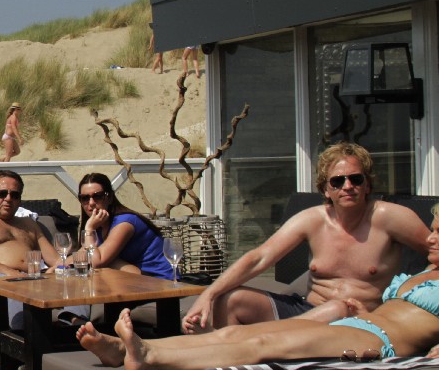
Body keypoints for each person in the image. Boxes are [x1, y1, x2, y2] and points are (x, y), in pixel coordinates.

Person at [78, 205, 439, 370]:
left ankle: (151, 358)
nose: (430, 238)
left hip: (377, 342)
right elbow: (259, 257)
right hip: (357, 323)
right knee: (234, 332)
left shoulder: (391, 221)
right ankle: (123, 348)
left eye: (438, 232)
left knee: (263, 344)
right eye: (433, 230)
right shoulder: (427, 271)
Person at [182, 142, 430, 332]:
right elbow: (259, 258)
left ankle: (257, 340)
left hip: (358, 321)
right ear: (325, 189)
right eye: (337, 181)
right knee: (230, 300)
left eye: (356, 179)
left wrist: (404, 298)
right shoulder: (313, 219)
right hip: (307, 312)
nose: (347, 186)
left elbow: (437, 255)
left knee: (337, 308)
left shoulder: (390, 218)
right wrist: (208, 294)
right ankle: (232, 361)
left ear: (367, 184)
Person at [0, 170, 60, 330]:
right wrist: (11, 273)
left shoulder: (29, 224)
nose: (8, 198)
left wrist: (64, 267)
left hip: (28, 279)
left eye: (14, 195)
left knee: (75, 280)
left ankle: (74, 327)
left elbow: (56, 260)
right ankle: (22, 337)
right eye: (2, 193)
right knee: (16, 287)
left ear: (19, 199)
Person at [78, 173, 174, 278]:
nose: (91, 203)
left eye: (97, 196)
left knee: (106, 263)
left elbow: (96, 262)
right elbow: (76, 258)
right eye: (85, 198)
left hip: (159, 280)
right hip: (133, 279)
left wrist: (89, 228)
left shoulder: (124, 223)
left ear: (110, 198)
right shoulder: (99, 226)